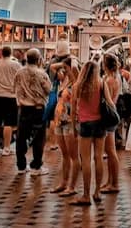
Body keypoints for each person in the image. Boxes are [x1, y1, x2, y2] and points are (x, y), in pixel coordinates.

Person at [71, 60, 113, 205]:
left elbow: (73, 109)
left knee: (86, 160)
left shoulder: (78, 85)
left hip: (85, 124)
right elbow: (110, 103)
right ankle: (97, 192)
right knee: (99, 158)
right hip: (100, 123)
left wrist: (73, 127)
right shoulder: (101, 83)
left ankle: (86, 195)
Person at [13, 49, 52, 175]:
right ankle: (36, 166)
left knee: (21, 137)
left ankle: (21, 165)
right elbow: (48, 89)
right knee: (38, 138)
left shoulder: (19, 72)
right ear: (39, 59)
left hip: (23, 108)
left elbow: (15, 87)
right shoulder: (42, 74)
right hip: (38, 109)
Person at [50, 62, 80, 195]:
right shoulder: (62, 84)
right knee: (64, 155)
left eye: (63, 70)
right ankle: (64, 182)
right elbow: (52, 67)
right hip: (59, 120)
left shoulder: (76, 84)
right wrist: (63, 62)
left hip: (70, 121)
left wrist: (69, 67)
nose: (59, 73)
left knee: (74, 155)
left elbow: (76, 79)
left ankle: (72, 186)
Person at [0, 46, 21, 156]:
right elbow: (20, 78)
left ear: (1, 53)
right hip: (11, 96)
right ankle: (6, 148)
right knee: (9, 123)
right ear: (11, 53)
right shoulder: (16, 65)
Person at [100, 54, 121, 194]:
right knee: (109, 150)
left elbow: (108, 99)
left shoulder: (109, 80)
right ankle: (110, 180)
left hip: (108, 114)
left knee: (111, 150)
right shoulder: (115, 77)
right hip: (111, 113)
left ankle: (115, 183)